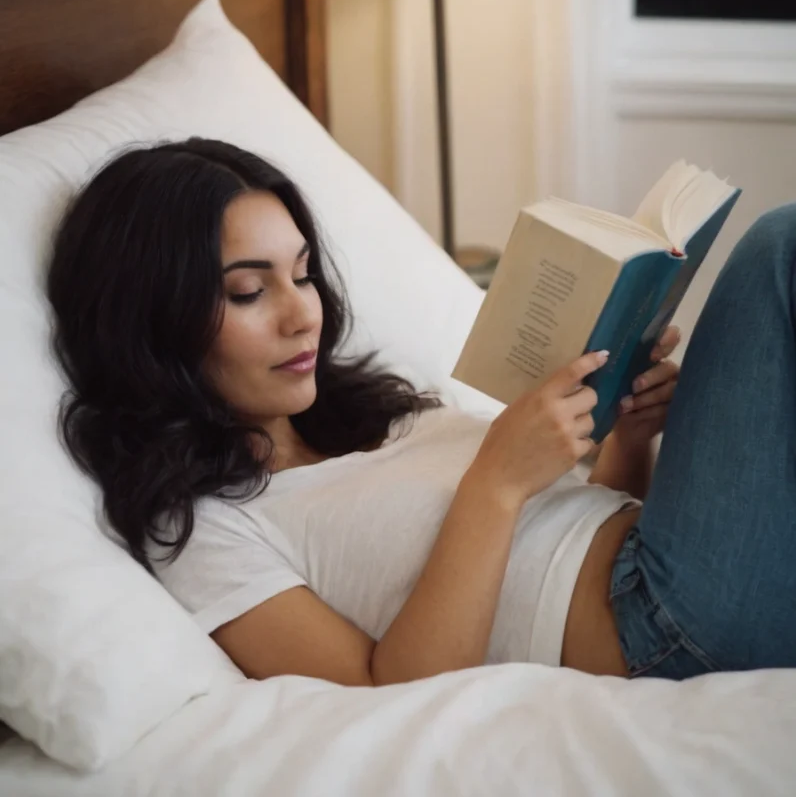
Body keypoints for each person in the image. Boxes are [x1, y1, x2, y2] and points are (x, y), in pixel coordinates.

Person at [46, 138, 796, 685]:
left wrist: (629, 435)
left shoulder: (378, 413)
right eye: (249, 290)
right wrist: (495, 486)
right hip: (658, 630)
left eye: (303, 276)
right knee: (779, 251)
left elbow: (587, 525)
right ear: (153, 321)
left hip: (668, 571)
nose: (302, 315)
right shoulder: (205, 529)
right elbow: (384, 694)